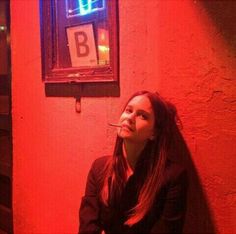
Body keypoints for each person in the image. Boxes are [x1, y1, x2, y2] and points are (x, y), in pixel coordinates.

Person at [79, 90, 188, 234]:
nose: (130, 118)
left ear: (154, 133)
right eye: (128, 110)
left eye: (142, 115)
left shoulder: (173, 177)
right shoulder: (99, 168)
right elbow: (88, 227)